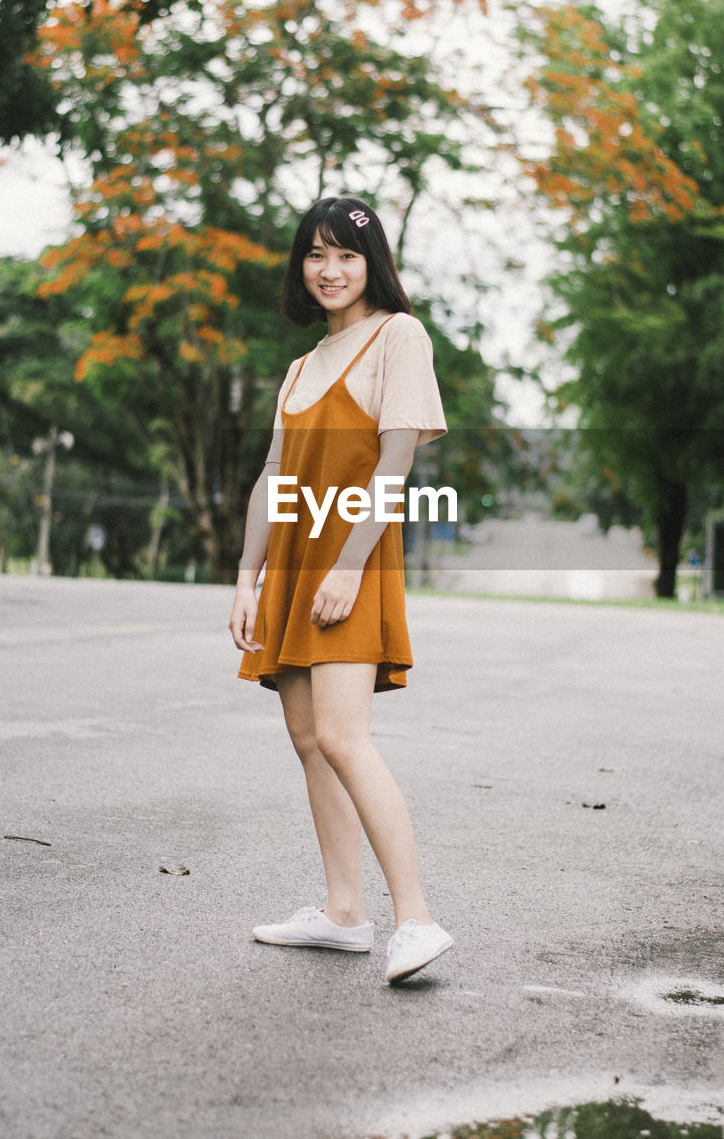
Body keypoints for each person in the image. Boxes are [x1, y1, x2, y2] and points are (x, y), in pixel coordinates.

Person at [228, 195, 453, 984]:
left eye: (346, 256)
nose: (329, 270)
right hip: (293, 568)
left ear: (372, 263)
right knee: (307, 737)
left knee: (345, 736)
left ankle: (417, 919)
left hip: (349, 562)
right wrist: (247, 578)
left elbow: (393, 469)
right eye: (314, 256)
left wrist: (351, 565)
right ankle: (343, 913)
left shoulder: (399, 335)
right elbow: (272, 478)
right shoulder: (300, 367)